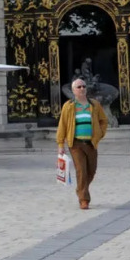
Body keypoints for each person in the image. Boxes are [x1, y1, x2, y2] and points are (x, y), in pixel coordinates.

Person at [56, 77, 108, 209]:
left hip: (91, 143)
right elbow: (62, 125)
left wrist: (99, 134)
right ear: (73, 90)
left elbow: (103, 120)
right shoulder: (68, 106)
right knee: (81, 171)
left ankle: (80, 188)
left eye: (84, 86)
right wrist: (61, 144)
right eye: (79, 87)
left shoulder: (94, 104)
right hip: (76, 144)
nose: (82, 89)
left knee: (92, 170)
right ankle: (84, 199)